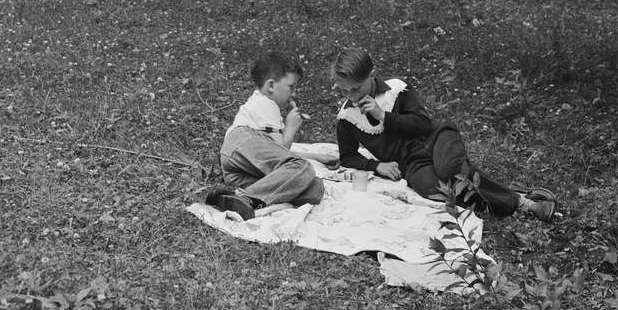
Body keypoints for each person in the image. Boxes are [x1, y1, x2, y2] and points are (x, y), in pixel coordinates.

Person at [330, 48, 556, 220]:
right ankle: (503, 191)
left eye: (356, 88)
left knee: (451, 170)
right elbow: (348, 156)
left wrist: (383, 116)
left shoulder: (396, 89)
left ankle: (523, 203)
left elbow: (423, 124)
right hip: (412, 163)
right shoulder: (348, 117)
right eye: (345, 90)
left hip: (436, 137)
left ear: (372, 75)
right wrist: (377, 166)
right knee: (435, 190)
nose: (352, 96)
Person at [205, 51, 324, 219]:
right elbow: (282, 149)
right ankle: (247, 199)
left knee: (314, 188)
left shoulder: (264, 104)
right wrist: (290, 128)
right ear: (271, 86)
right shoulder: (265, 103)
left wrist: (320, 157)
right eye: (291, 87)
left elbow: (275, 156)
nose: (294, 93)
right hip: (241, 140)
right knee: (302, 167)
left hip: (240, 171)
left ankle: (235, 197)